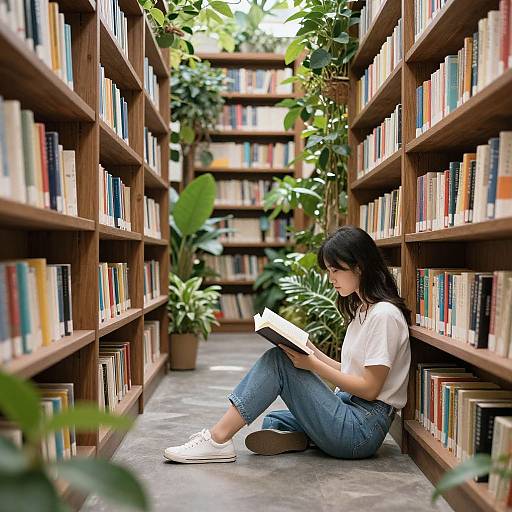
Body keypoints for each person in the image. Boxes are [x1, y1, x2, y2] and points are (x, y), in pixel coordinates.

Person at [163, 226, 411, 464]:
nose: (330, 278)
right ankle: (308, 439)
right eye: (328, 270)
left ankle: (217, 441)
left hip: (362, 429)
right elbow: (350, 369)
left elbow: (369, 388)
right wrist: (309, 348)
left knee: (278, 362)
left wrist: (311, 364)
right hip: (349, 409)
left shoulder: (384, 316)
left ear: (360, 267)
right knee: (274, 420)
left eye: (336, 270)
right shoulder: (364, 310)